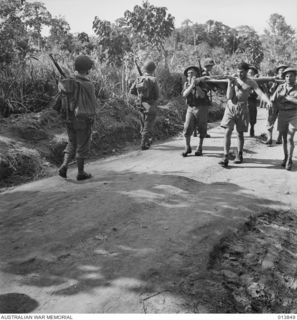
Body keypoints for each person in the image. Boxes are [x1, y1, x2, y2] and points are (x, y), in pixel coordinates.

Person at [219, 62, 272, 167]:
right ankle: (225, 155)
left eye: (242, 72)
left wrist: (268, 101)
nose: (239, 74)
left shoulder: (251, 82)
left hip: (243, 108)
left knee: (240, 133)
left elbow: (260, 93)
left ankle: (239, 154)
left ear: (247, 72)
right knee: (227, 131)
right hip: (230, 107)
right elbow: (228, 97)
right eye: (238, 71)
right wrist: (230, 83)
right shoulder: (233, 79)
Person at [58, 55, 97, 180]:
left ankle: (64, 166)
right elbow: (92, 104)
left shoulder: (68, 82)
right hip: (83, 119)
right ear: (88, 69)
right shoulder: (88, 85)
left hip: (69, 118)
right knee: (82, 145)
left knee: (71, 143)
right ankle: (81, 173)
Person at [270, 67, 297, 170]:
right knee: (285, 138)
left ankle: (290, 159)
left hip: (294, 113)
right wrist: (277, 94)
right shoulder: (281, 87)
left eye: (291, 76)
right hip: (282, 114)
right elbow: (273, 99)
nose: (289, 78)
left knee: (290, 137)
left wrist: (288, 98)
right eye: (286, 76)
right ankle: (286, 157)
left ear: (295, 77)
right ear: (284, 78)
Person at [129, 61, 159, 150]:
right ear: (153, 69)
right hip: (149, 104)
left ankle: (147, 140)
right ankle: (143, 143)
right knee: (148, 122)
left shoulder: (138, 79)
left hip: (140, 104)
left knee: (143, 121)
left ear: (144, 69)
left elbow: (131, 91)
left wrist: (140, 97)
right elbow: (157, 95)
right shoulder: (154, 79)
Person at [181, 65, 210, 157]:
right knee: (187, 126)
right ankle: (187, 147)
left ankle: (199, 147)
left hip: (202, 107)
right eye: (188, 73)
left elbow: (202, 95)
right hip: (191, 107)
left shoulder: (203, 83)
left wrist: (196, 86)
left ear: (197, 74)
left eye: (192, 72)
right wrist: (192, 85)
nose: (190, 74)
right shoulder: (186, 84)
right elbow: (184, 94)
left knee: (202, 127)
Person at [266, 64, 288, 145]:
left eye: (283, 70)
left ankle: (279, 138)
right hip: (274, 103)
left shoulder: (289, 80)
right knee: (270, 120)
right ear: (278, 72)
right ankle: (269, 138)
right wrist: (274, 84)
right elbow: (270, 91)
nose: (282, 72)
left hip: (284, 103)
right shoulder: (274, 79)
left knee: (282, 121)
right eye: (280, 70)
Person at [202, 58, 215, 138]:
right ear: (207, 65)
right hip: (203, 95)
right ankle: (203, 132)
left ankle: (198, 131)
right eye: (211, 66)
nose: (212, 67)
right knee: (203, 116)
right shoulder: (204, 73)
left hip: (204, 95)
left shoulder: (206, 73)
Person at [247, 65, 259, 137]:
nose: (250, 74)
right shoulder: (243, 79)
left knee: (252, 116)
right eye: (249, 72)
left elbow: (260, 91)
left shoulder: (257, 80)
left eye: (252, 73)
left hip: (252, 100)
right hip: (243, 100)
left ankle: (252, 128)